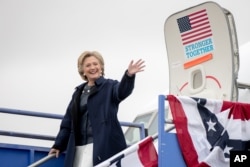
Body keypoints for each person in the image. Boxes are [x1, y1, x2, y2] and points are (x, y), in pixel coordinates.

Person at [49, 51, 145, 167]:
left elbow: (122, 91)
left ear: (101, 67)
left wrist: (129, 76)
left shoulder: (110, 86)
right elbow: (67, 122)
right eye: (88, 65)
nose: (92, 67)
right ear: (83, 70)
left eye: (95, 64)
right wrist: (58, 145)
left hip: (102, 147)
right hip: (78, 149)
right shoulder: (78, 93)